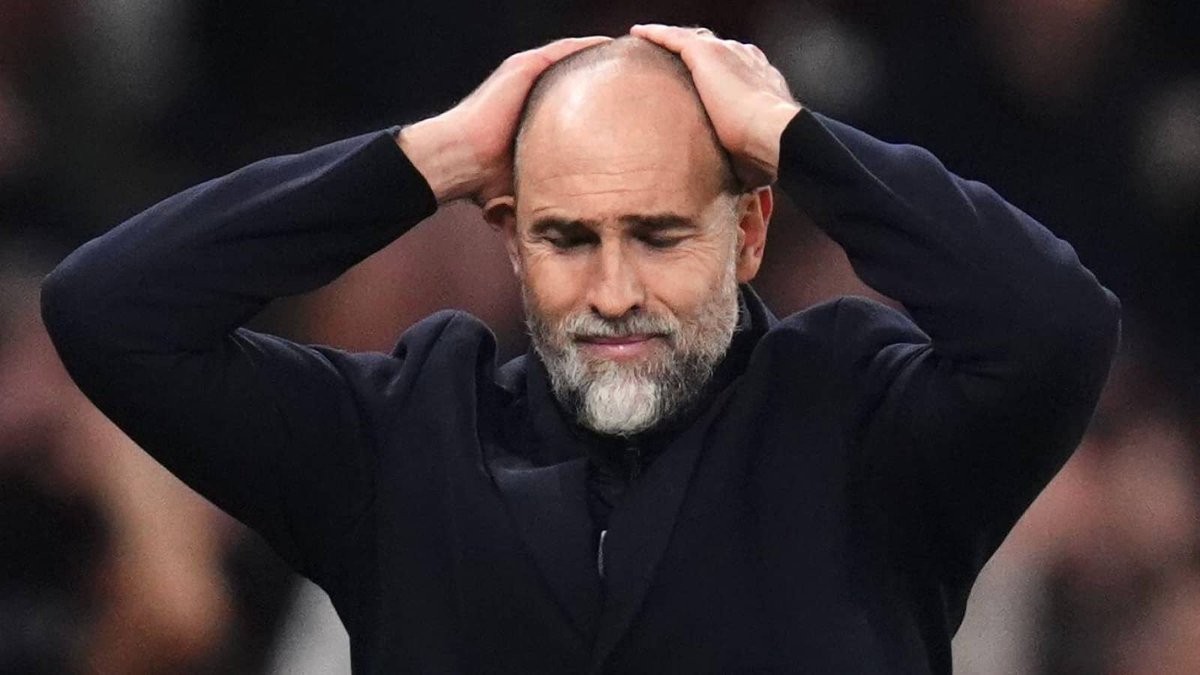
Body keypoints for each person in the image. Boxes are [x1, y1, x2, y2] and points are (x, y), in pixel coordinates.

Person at [40, 24, 1120, 674]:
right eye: (566, 238)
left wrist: (793, 140)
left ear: (748, 233)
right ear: (510, 238)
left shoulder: (865, 423)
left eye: (659, 235)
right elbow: (112, 309)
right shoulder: (402, 437)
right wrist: (429, 157)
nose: (613, 292)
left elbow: (1055, 325)